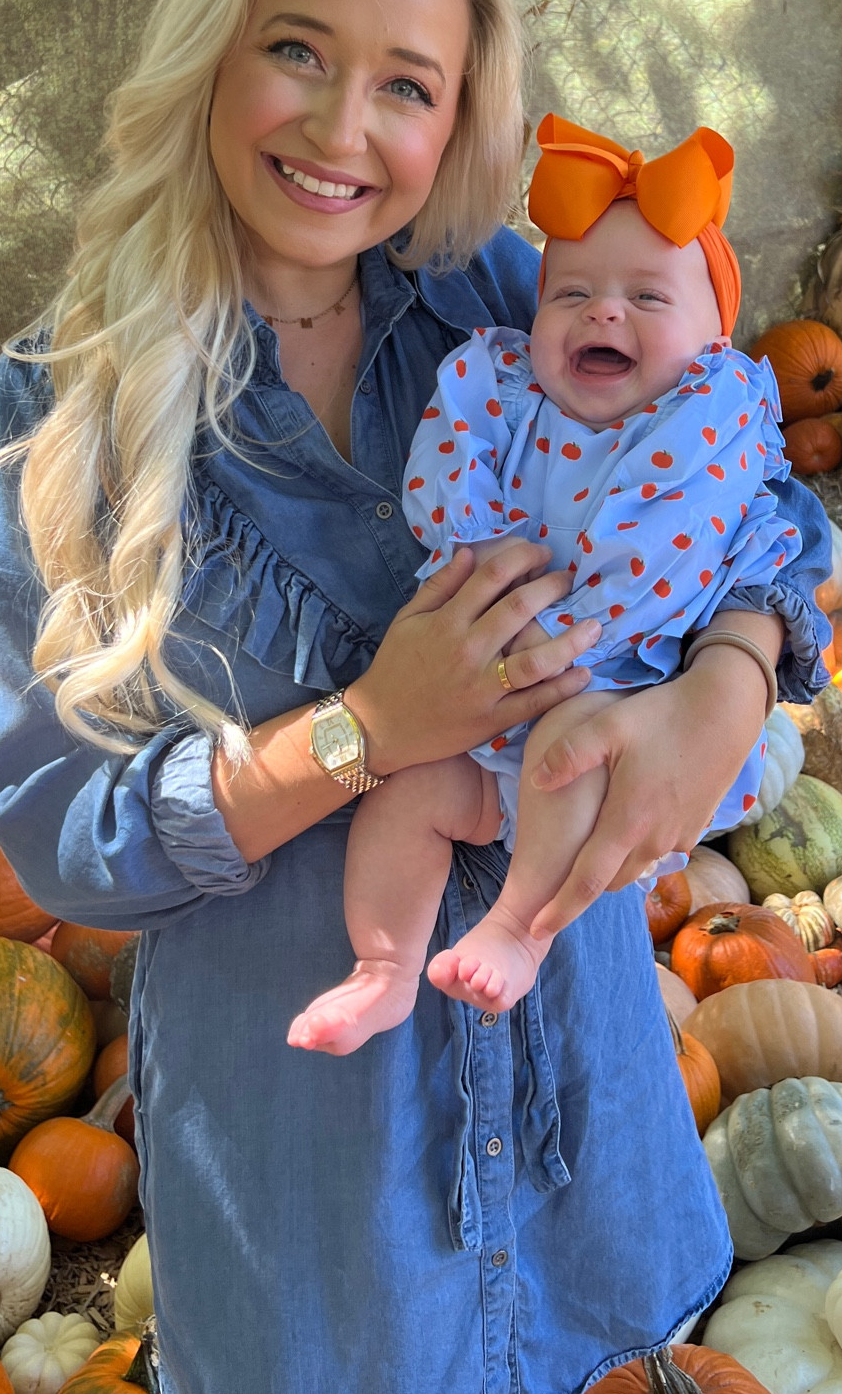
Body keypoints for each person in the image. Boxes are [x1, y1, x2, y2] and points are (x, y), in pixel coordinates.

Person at [0, 0, 831, 1394]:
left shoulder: (505, 306)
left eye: (406, 84)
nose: (342, 127)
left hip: (544, 1036)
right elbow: (58, 831)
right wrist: (370, 730)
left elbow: (764, 502)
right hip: (310, 1124)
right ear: (214, 52)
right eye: (298, 49)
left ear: (456, 123)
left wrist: (727, 674)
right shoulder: (58, 408)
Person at [289, 114, 802, 1054]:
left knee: (570, 746)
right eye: (572, 293)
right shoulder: (504, 391)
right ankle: (383, 968)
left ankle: (522, 927)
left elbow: (784, 537)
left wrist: (735, 672)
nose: (604, 313)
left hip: (611, 717)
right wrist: (463, 561)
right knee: (403, 798)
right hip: (471, 726)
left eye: (648, 298)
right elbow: (449, 482)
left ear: (713, 341)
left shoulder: (709, 423)